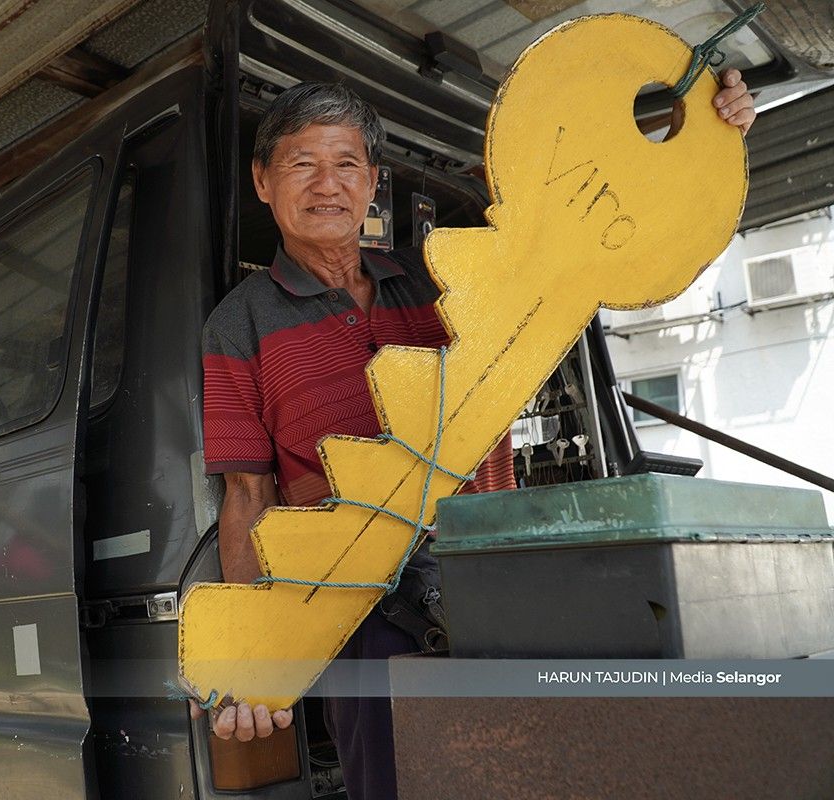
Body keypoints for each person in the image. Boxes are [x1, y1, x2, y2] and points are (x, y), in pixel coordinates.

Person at [194, 72, 756, 799]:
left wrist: (710, 138)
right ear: (264, 181)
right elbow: (247, 497)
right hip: (362, 616)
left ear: (372, 183)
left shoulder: (438, 286)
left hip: (495, 583)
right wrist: (255, 655)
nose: (325, 184)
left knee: (529, 776)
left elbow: (607, 252)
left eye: (345, 164)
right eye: (302, 163)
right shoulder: (237, 324)